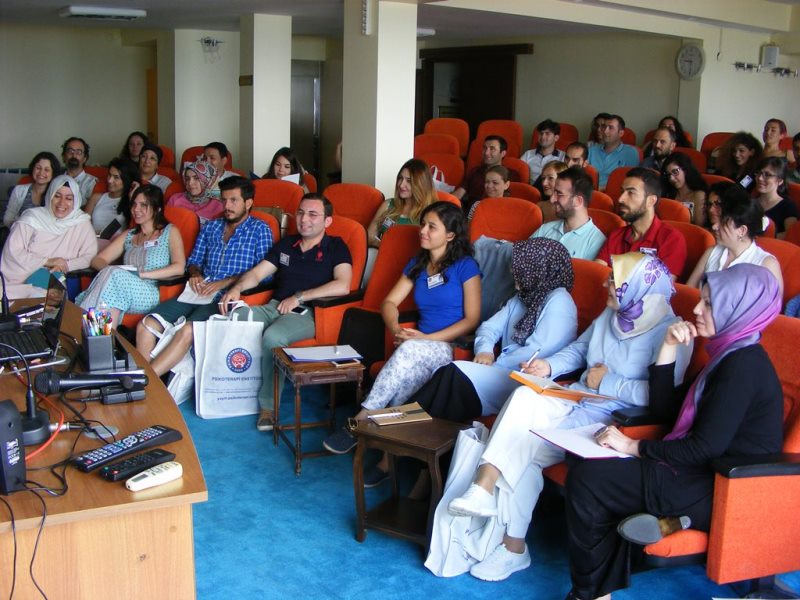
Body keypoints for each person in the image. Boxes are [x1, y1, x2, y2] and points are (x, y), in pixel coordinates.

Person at [440, 253, 689, 583]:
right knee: (525, 396)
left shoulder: (672, 334)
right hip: (577, 397)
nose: (606, 283)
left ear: (637, 288)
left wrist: (609, 382)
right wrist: (549, 366)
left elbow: (660, 397)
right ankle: (483, 491)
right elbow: (580, 349)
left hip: (613, 419)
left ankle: (512, 545)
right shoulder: (612, 313)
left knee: (526, 444)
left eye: (615, 280)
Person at [564, 263, 782, 600]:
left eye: (709, 303)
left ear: (737, 310)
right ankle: (602, 585)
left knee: (590, 479)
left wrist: (633, 447)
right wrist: (667, 347)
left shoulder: (742, 366)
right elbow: (665, 411)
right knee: (590, 464)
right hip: (698, 472)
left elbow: (703, 448)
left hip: (723, 487)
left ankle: (590, 593)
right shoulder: (728, 353)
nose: (696, 309)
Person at [323, 201, 481, 454]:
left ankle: (360, 419)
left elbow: (471, 319)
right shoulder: (418, 263)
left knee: (407, 353)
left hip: (448, 346)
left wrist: (426, 339)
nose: (422, 231)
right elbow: (389, 303)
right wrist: (397, 329)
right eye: (423, 224)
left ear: (450, 235)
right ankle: (390, 455)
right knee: (404, 384)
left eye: (431, 227)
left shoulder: (465, 266)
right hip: (417, 345)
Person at [219, 193, 353, 431]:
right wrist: (237, 288)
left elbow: (343, 285)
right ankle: (228, 389)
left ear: (327, 221)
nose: (304, 219)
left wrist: (299, 297)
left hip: (308, 313)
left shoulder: (336, 246)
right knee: (233, 317)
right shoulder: (287, 245)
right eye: (301, 212)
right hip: (275, 306)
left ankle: (269, 407)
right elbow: (258, 273)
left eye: (313, 214)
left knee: (273, 337)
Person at [409, 238, 577, 422]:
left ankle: (405, 420)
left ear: (537, 268)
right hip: (502, 371)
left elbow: (538, 351)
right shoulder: (523, 296)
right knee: (446, 375)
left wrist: (498, 364)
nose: (512, 270)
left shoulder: (559, 301)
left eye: (521, 265)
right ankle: (409, 423)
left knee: (454, 374)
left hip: (525, 380)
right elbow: (489, 327)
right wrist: (485, 350)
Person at [135, 176, 273, 375]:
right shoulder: (211, 226)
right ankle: (144, 379)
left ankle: (147, 382)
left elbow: (265, 275)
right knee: (146, 324)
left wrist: (225, 282)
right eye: (224, 200)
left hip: (227, 298)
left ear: (248, 203)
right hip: (197, 291)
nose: (227, 206)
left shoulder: (260, 230)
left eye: (234, 200)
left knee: (187, 331)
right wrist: (195, 274)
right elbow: (194, 261)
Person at [76, 185, 186, 327]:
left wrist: (142, 274)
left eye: (143, 205)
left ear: (157, 208)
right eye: (134, 204)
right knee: (111, 293)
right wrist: (109, 271)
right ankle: (101, 336)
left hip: (150, 290)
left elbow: (179, 267)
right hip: (121, 286)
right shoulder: (129, 235)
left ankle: (80, 325)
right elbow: (98, 260)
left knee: (114, 276)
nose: (136, 209)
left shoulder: (169, 231)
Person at [1, 175, 97, 299]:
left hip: (53, 278)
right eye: (57, 196)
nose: (62, 203)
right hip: (18, 280)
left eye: (69, 198)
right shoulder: (31, 218)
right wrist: (47, 261)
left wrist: (65, 265)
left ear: (76, 200)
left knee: (49, 299)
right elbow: (12, 251)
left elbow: (89, 256)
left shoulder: (81, 222)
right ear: (49, 196)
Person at [685, 182, 782, 292]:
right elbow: (689, 291)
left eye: (722, 223)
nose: (714, 226)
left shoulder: (766, 264)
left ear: (742, 231)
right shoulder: (712, 252)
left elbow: (773, 302)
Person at [595, 167, 687, 280]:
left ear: (651, 201)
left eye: (631, 193)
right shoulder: (616, 235)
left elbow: (661, 288)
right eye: (622, 192)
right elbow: (598, 276)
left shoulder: (671, 239)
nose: (620, 199)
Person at [364, 158, 437, 283]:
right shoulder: (388, 204)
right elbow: (369, 235)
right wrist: (384, 246)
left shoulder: (431, 212)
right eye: (400, 178)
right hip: (381, 257)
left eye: (409, 181)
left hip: (410, 264)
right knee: (368, 255)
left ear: (421, 184)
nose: (401, 185)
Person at [531, 166, 606, 259]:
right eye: (554, 193)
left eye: (559, 193)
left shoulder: (596, 242)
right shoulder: (545, 229)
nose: (552, 199)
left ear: (578, 201)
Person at [453, 135, 511, 214]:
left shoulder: (510, 174)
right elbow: (458, 194)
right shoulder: (475, 171)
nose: (486, 153)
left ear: (503, 153)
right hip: (471, 214)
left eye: (492, 149)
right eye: (484, 148)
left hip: (497, 213)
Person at [84, 157, 140, 236]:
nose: (109, 180)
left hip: (118, 242)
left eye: (116, 177)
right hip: (92, 239)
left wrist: (132, 198)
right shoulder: (96, 197)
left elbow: (136, 228)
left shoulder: (132, 202)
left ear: (127, 180)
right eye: (109, 175)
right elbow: (83, 223)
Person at [3, 151, 61, 227]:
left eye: (46, 170)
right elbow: (7, 219)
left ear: (53, 173)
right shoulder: (19, 190)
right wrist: (20, 227)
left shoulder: (57, 194)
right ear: (32, 168)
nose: (41, 173)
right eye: (38, 168)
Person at [587, 114, 639, 189]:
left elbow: (631, 181)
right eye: (604, 127)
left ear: (620, 133)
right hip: (589, 191)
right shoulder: (592, 150)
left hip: (615, 192)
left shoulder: (630, 153)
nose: (605, 131)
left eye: (610, 128)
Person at [660, 152, 708, 227]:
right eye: (668, 174)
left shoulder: (699, 195)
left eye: (675, 172)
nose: (671, 178)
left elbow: (700, 226)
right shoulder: (668, 193)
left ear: (686, 169)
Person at [166, 159, 222, 223]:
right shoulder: (175, 199)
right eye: (187, 179)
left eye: (196, 178)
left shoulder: (218, 205)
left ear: (208, 180)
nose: (190, 183)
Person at [755, 156, 798, 237]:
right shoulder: (751, 202)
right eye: (759, 173)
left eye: (767, 175)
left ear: (780, 181)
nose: (760, 178)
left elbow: (790, 235)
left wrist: (764, 238)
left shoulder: (787, 206)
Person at [520, 119, 566, 185]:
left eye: (547, 134)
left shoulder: (563, 156)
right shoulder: (528, 154)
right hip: (531, 188)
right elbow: (519, 172)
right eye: (541, 133)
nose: (543, 137)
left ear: (556, 138)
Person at [61, 136, 97, 204]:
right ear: (64, 156)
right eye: (70, 151)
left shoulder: (92, 183)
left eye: (79, 152)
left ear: (85, 158)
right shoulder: (55, 179)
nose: (74, 155)